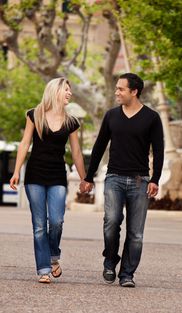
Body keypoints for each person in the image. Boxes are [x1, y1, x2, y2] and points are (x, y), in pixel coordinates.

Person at [80, 73, 164, 288]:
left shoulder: (152, 118)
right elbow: (99, 147)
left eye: (121, 89)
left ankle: (127, 274)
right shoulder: (111, 116)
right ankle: (110, 261)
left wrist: (155, 179)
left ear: (134, 92)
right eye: (116, 88)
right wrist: (89, 177)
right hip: (114, 178)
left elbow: (159, 150)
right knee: (111, 222)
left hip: (140, 180)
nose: (116, 92)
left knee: (136, 233)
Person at [10, 77, 86, 283]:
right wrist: (16, 171)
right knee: (39, 224)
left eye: (70, 90)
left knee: (57, 220)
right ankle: (44, 269)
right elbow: (25, 144)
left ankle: (53, 256)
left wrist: (84, 178)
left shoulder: (71, 122)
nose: (70, 93)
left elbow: (76, 152)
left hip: (57, 176)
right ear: (56, 91)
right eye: (66, 90)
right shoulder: (35, 115)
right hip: (35, 174)